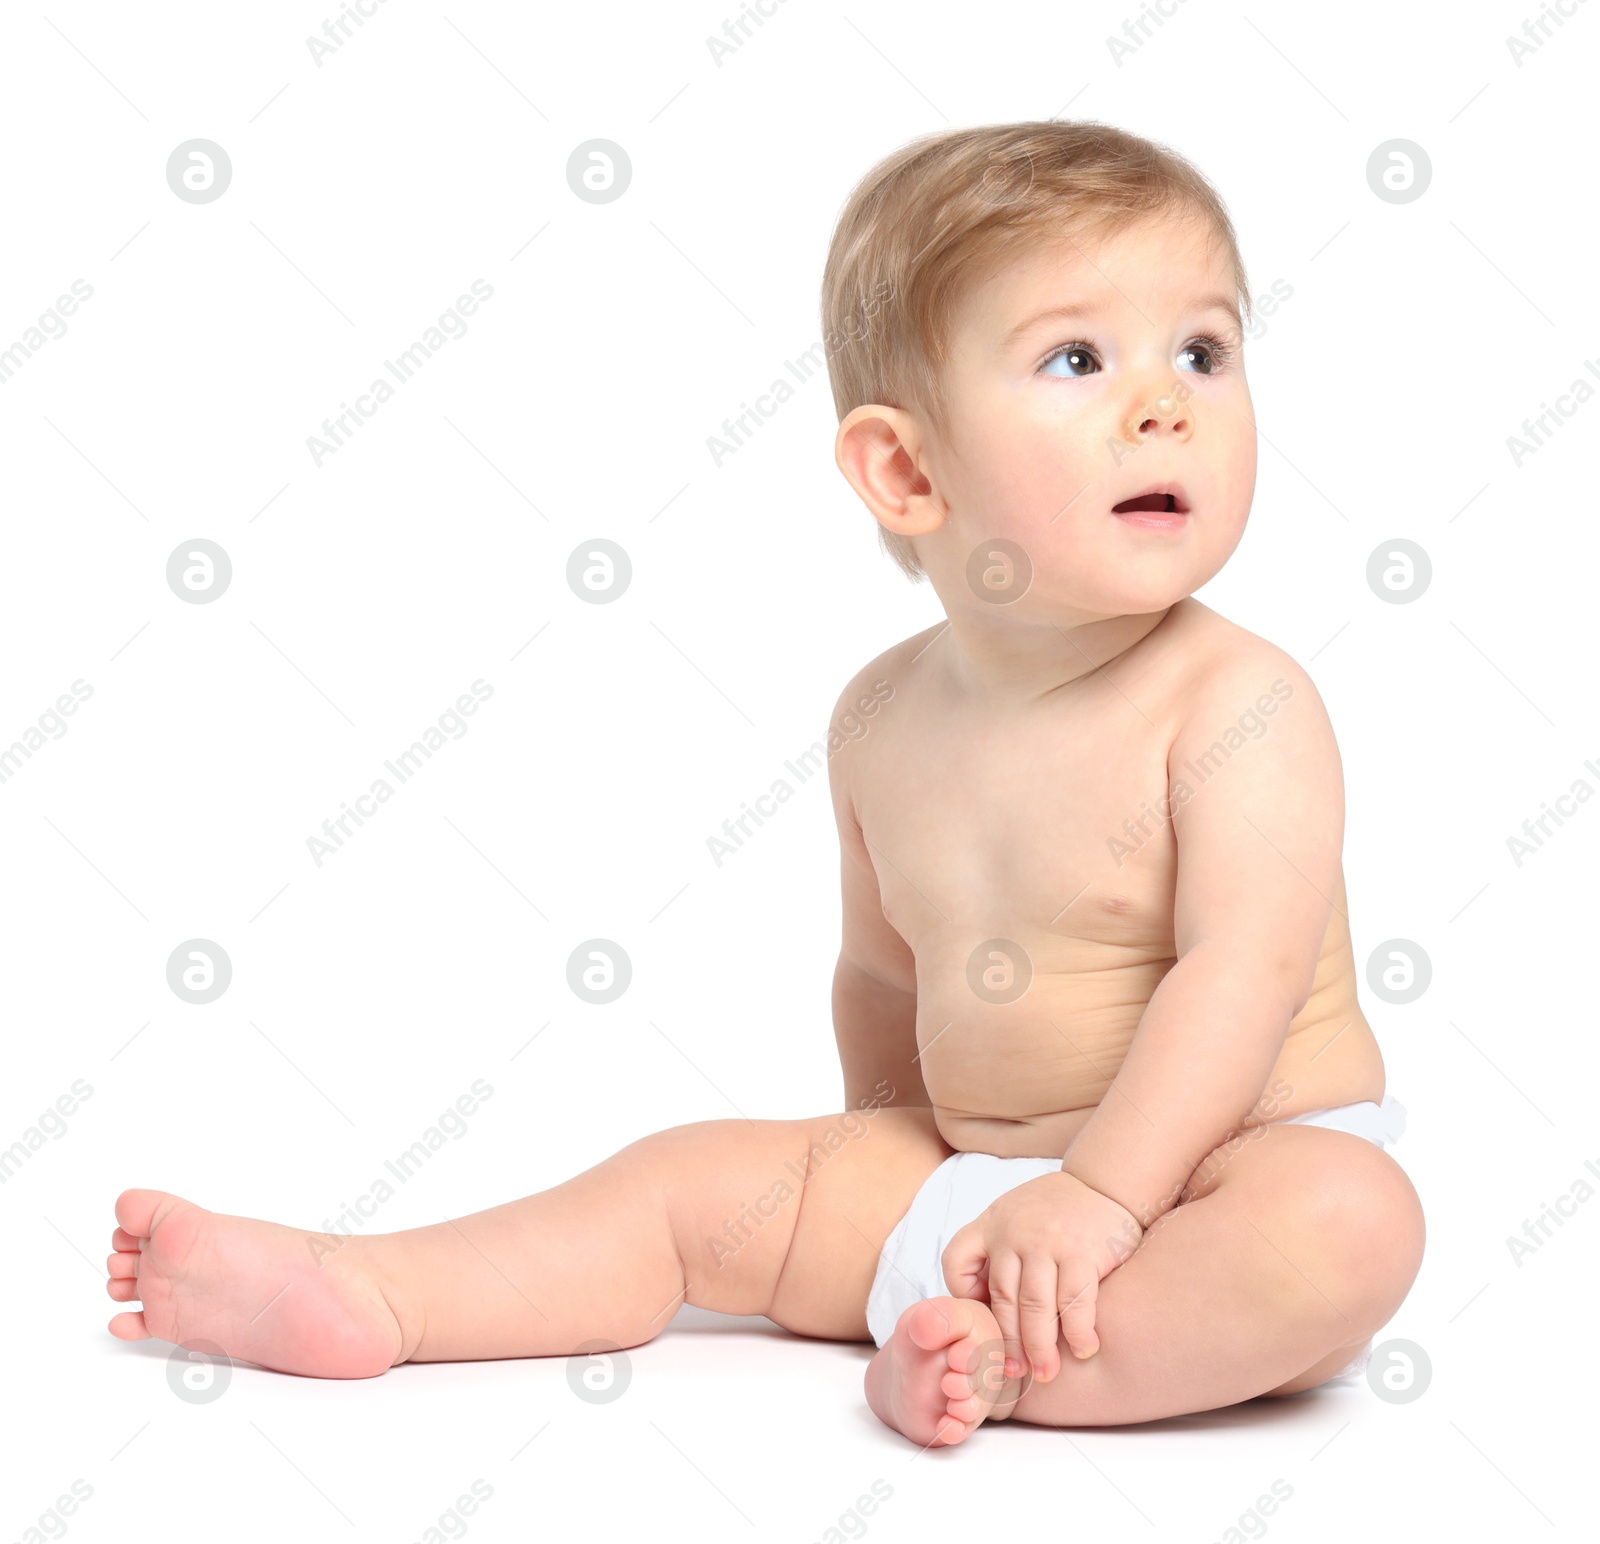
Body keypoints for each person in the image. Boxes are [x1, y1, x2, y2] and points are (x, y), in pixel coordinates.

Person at [104, 120, 1424, 1448]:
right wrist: (879, 1191)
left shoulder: (1242, 705)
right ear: (906, 472)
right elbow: (883, 979)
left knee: (1346, 1227)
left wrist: (1100, 1197)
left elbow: (1237, 979)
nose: (1166, 401)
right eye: (1077, 358)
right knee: (693, 1183)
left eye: (1204, 348)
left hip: (1211, 1184)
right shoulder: (883, 717)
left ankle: (1014, 1365)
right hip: (985, 1183)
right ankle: (375, 1292)